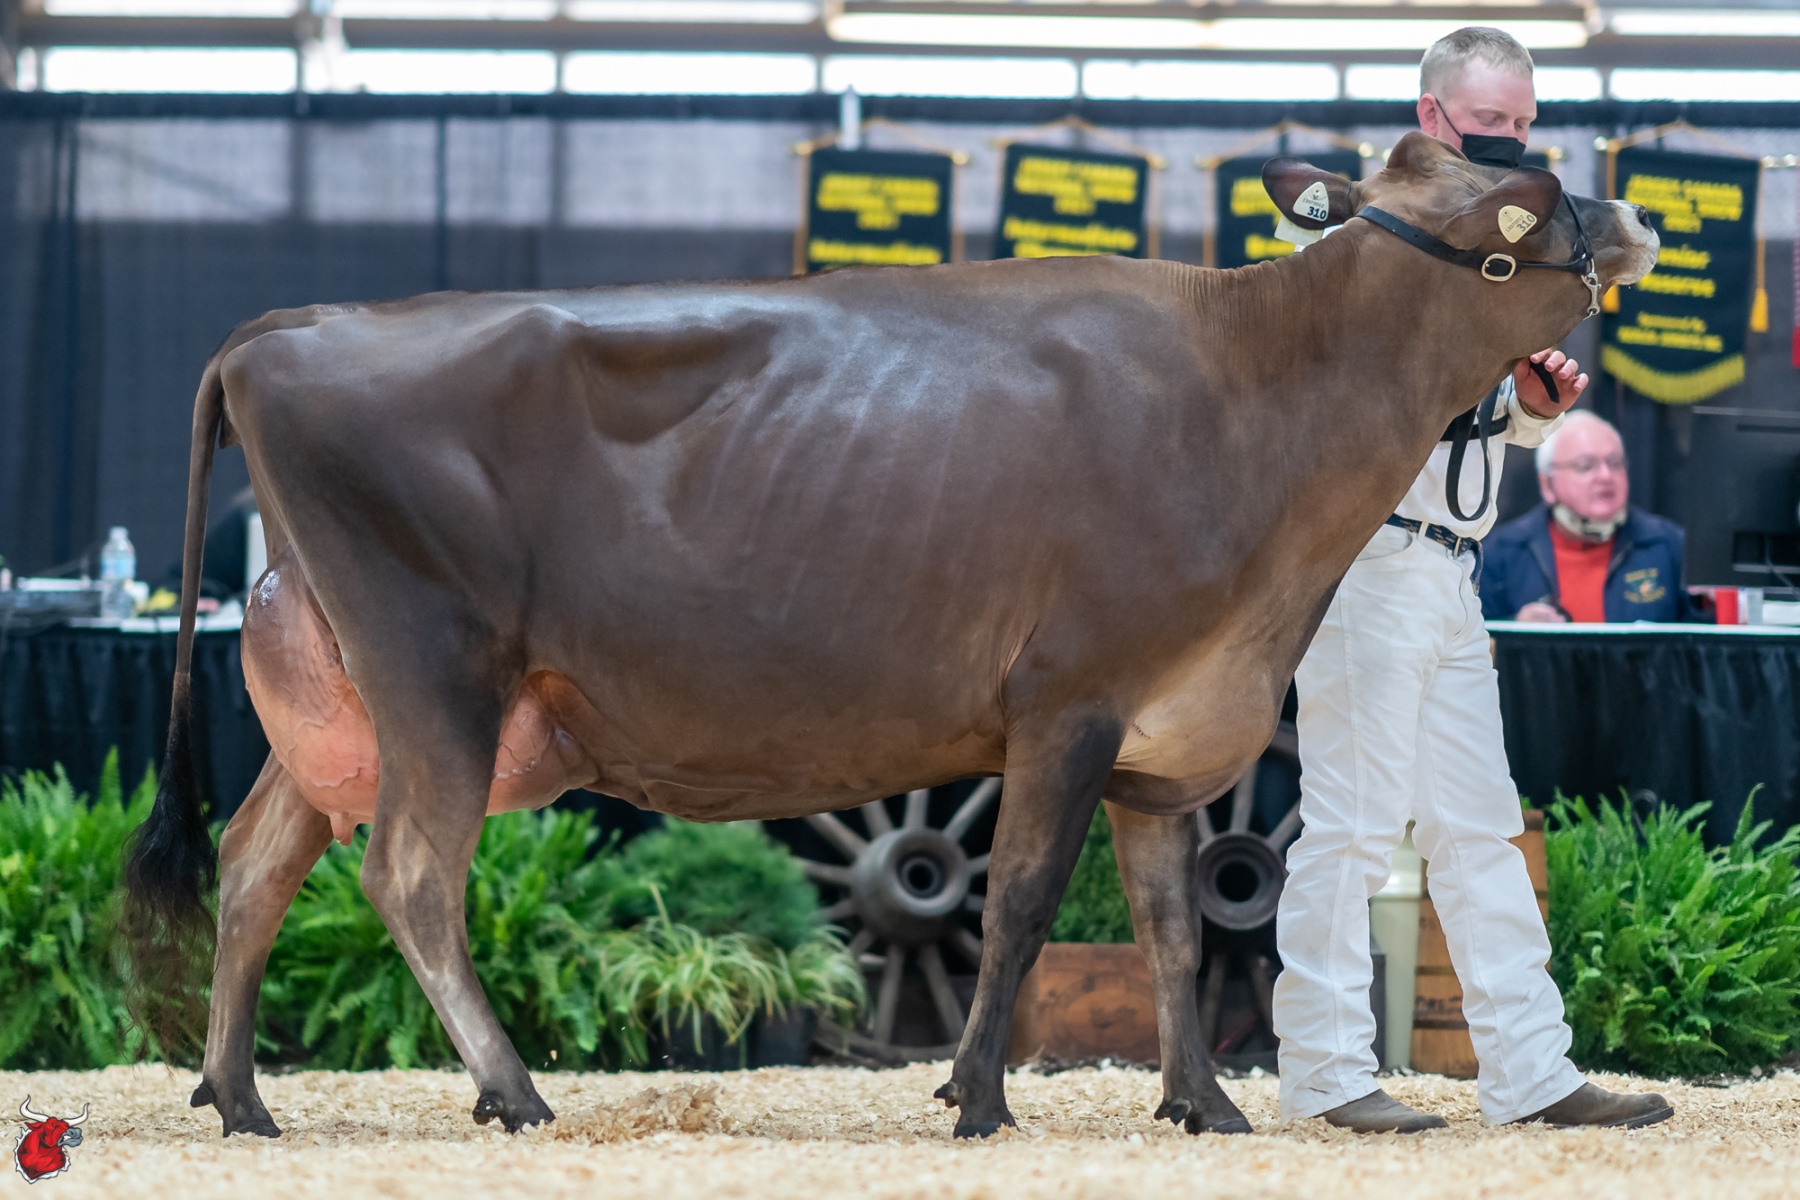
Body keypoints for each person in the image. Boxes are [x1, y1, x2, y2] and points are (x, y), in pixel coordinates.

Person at [1270, 27, 1674, 1133]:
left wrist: (1531, 412)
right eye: (1491, 123)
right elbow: (1352, 394)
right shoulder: (1362, 227)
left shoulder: (1507, 240)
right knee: (1353, 826)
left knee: (1480, 827)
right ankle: (1325, 1072)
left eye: (1525, 125)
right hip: (1366, 557)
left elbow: (1471, 414)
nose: (1511, 143)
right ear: (1433, 116)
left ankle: (1531, 1073)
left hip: (1455, 567)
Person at [1481, 409, 1706, 623]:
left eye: (1615, 463)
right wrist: (1515, 631)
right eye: (1585, 466)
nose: (1606, 476)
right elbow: (1475, 637)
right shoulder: (1501, 554)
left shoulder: (1669, 545)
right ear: (1547, 484)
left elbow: (1703, 639)